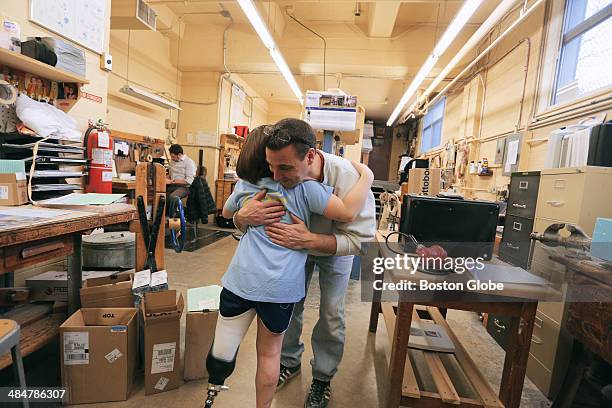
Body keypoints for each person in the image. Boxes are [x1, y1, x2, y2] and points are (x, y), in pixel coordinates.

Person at [204, 125, 374, 408]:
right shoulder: (274, 179)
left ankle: (322, 377)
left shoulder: (346, 178)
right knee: (289, 312)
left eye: (284, 168)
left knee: (331, 312)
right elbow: (233, 215)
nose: (276, 177)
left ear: (310, 157)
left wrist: (366, 175)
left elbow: (360, 241)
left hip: (336, 245)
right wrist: (243, 217)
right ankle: (290, 362)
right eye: (270, 167)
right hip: (290, 254)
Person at [166, 143, 196, 210]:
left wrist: (172, 181)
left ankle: (171, 217)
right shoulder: (172, 162)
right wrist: (164, 179)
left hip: (185, 187)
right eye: (171, 156)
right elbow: (170, 175)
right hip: (173, 185)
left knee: (173, 197)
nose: (172, 158)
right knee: (161, 195)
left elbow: (189, 181)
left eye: (173, 157)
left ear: (179, 155)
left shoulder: (189, 162)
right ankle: (163, 216)